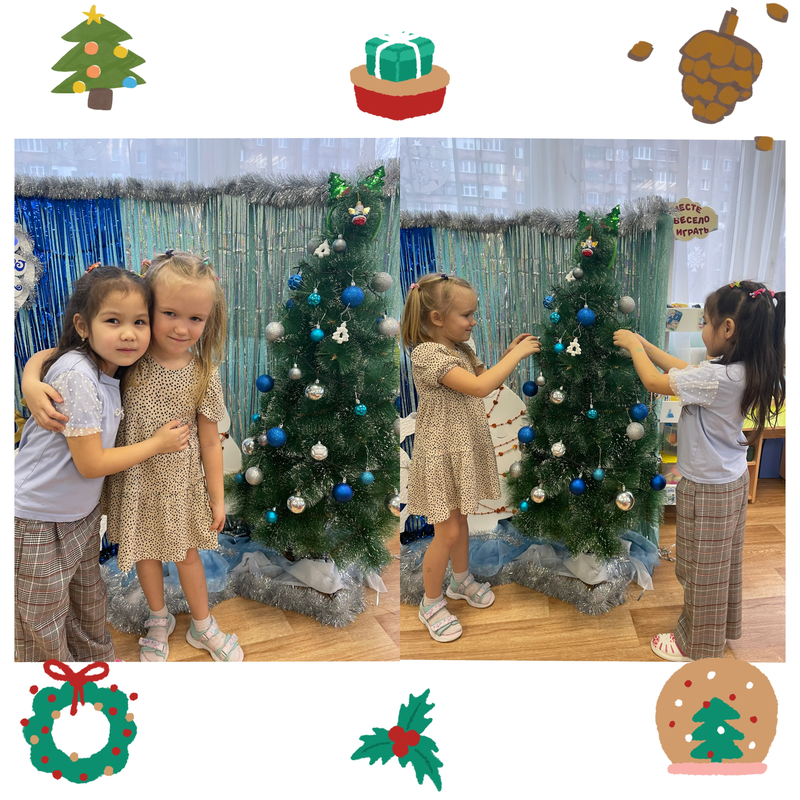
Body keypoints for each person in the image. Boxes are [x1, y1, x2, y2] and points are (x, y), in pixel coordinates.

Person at [24, 250, 243, 662]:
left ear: (209, 320)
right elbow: (55, 356)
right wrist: (30, 383)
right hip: (136, 483)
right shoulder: (128, 357)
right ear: (150, 309)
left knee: (188, 555)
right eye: (169, 314)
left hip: (179, 486)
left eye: (196, 318)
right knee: (144, 554)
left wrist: (217, 497)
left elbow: (211, 442)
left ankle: (203, 624)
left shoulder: (203, 373)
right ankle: (159, 618)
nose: (181, 328)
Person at [613, 280, 785, 661]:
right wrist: (645, 345)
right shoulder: (739, 371)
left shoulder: (717, 378)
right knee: (721, 564)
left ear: (728, 328)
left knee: (699, 570)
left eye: (706, 322)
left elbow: (654, 381)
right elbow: (684, 371)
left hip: (707, 490)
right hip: (732, 481)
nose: (703, 328)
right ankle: (719, 630)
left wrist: (632, 347)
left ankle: (695, 645)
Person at [399, 272, 541, 642]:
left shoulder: (461, 350)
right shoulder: (428, 355)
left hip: (462, 450)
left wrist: (508, 355)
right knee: (446, 532)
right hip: (441, 455)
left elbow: (488, 381)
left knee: (461, 522)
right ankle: (430, 603)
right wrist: (517, 356)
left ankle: (460, 581)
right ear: (437, 318)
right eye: (466, 315)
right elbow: (478, 387)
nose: (473, 321)